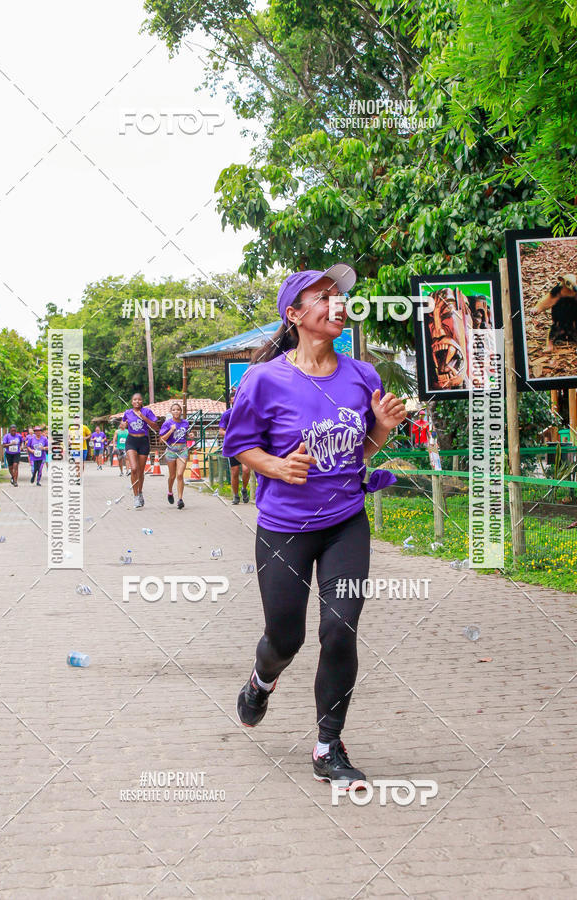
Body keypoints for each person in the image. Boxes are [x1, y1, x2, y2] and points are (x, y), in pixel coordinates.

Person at [223, 264, 406, 789]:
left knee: (340, 628)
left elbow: (358, 452)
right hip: (284, 527)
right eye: (323, 298)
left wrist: (383, 431)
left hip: (346, 521)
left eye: (340, 296)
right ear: (295, 314)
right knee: (286, 635)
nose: (337, 304)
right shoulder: (265, 379)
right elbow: (239, 445)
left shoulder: (362, 375)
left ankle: (329, 746)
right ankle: (262, 679)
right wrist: (276, 466)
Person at [122, 393, 159, 508]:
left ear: (142, 401)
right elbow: (123, 425)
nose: (137, 401)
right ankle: (136, 496)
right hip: (131, 441)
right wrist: (123, 424)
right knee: (133, 469)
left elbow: (156, 426)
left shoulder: (147, 411)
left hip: (143, 441)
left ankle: (140, 491)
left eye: (139, 399)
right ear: (132, 402)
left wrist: (143, 417)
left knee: (140, 471)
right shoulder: (127, 412)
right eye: (134, 399)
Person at [219, 386, 251, 505]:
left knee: (246, 470)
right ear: (230, 401)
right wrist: (231, 434)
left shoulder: (246, 412)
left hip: (245, 445)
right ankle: (236, 495)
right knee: (235, 471)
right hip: (233, 446)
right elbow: (221, 431)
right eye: (233, 397)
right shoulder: (227, 414)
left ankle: (244, 489)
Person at [158, 401, 190, 508]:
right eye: (174, 409)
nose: (176, 411)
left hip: (182, 450)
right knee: (172, 476)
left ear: (181, 411)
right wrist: (171, 430)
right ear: (171, 412)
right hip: (171, 450)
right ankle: (170, 491)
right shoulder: (167, 423)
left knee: (180, 475)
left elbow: (186, 435)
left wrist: (191, 435)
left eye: (178, 409)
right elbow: (161, 440)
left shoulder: (185, 423)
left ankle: (180, 499)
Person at [67, 418, 91, 484]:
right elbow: (68, 436)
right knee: (77, 463)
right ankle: (78, 478)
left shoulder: (84, 427)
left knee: (81, 463)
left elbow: (89, 434)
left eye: (78, 419)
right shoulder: (71, 428)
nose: (76, 421)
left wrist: (85, 438)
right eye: (75, 419)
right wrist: (69, 440)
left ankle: (80, 476)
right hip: (75, 448)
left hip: (83, 448)